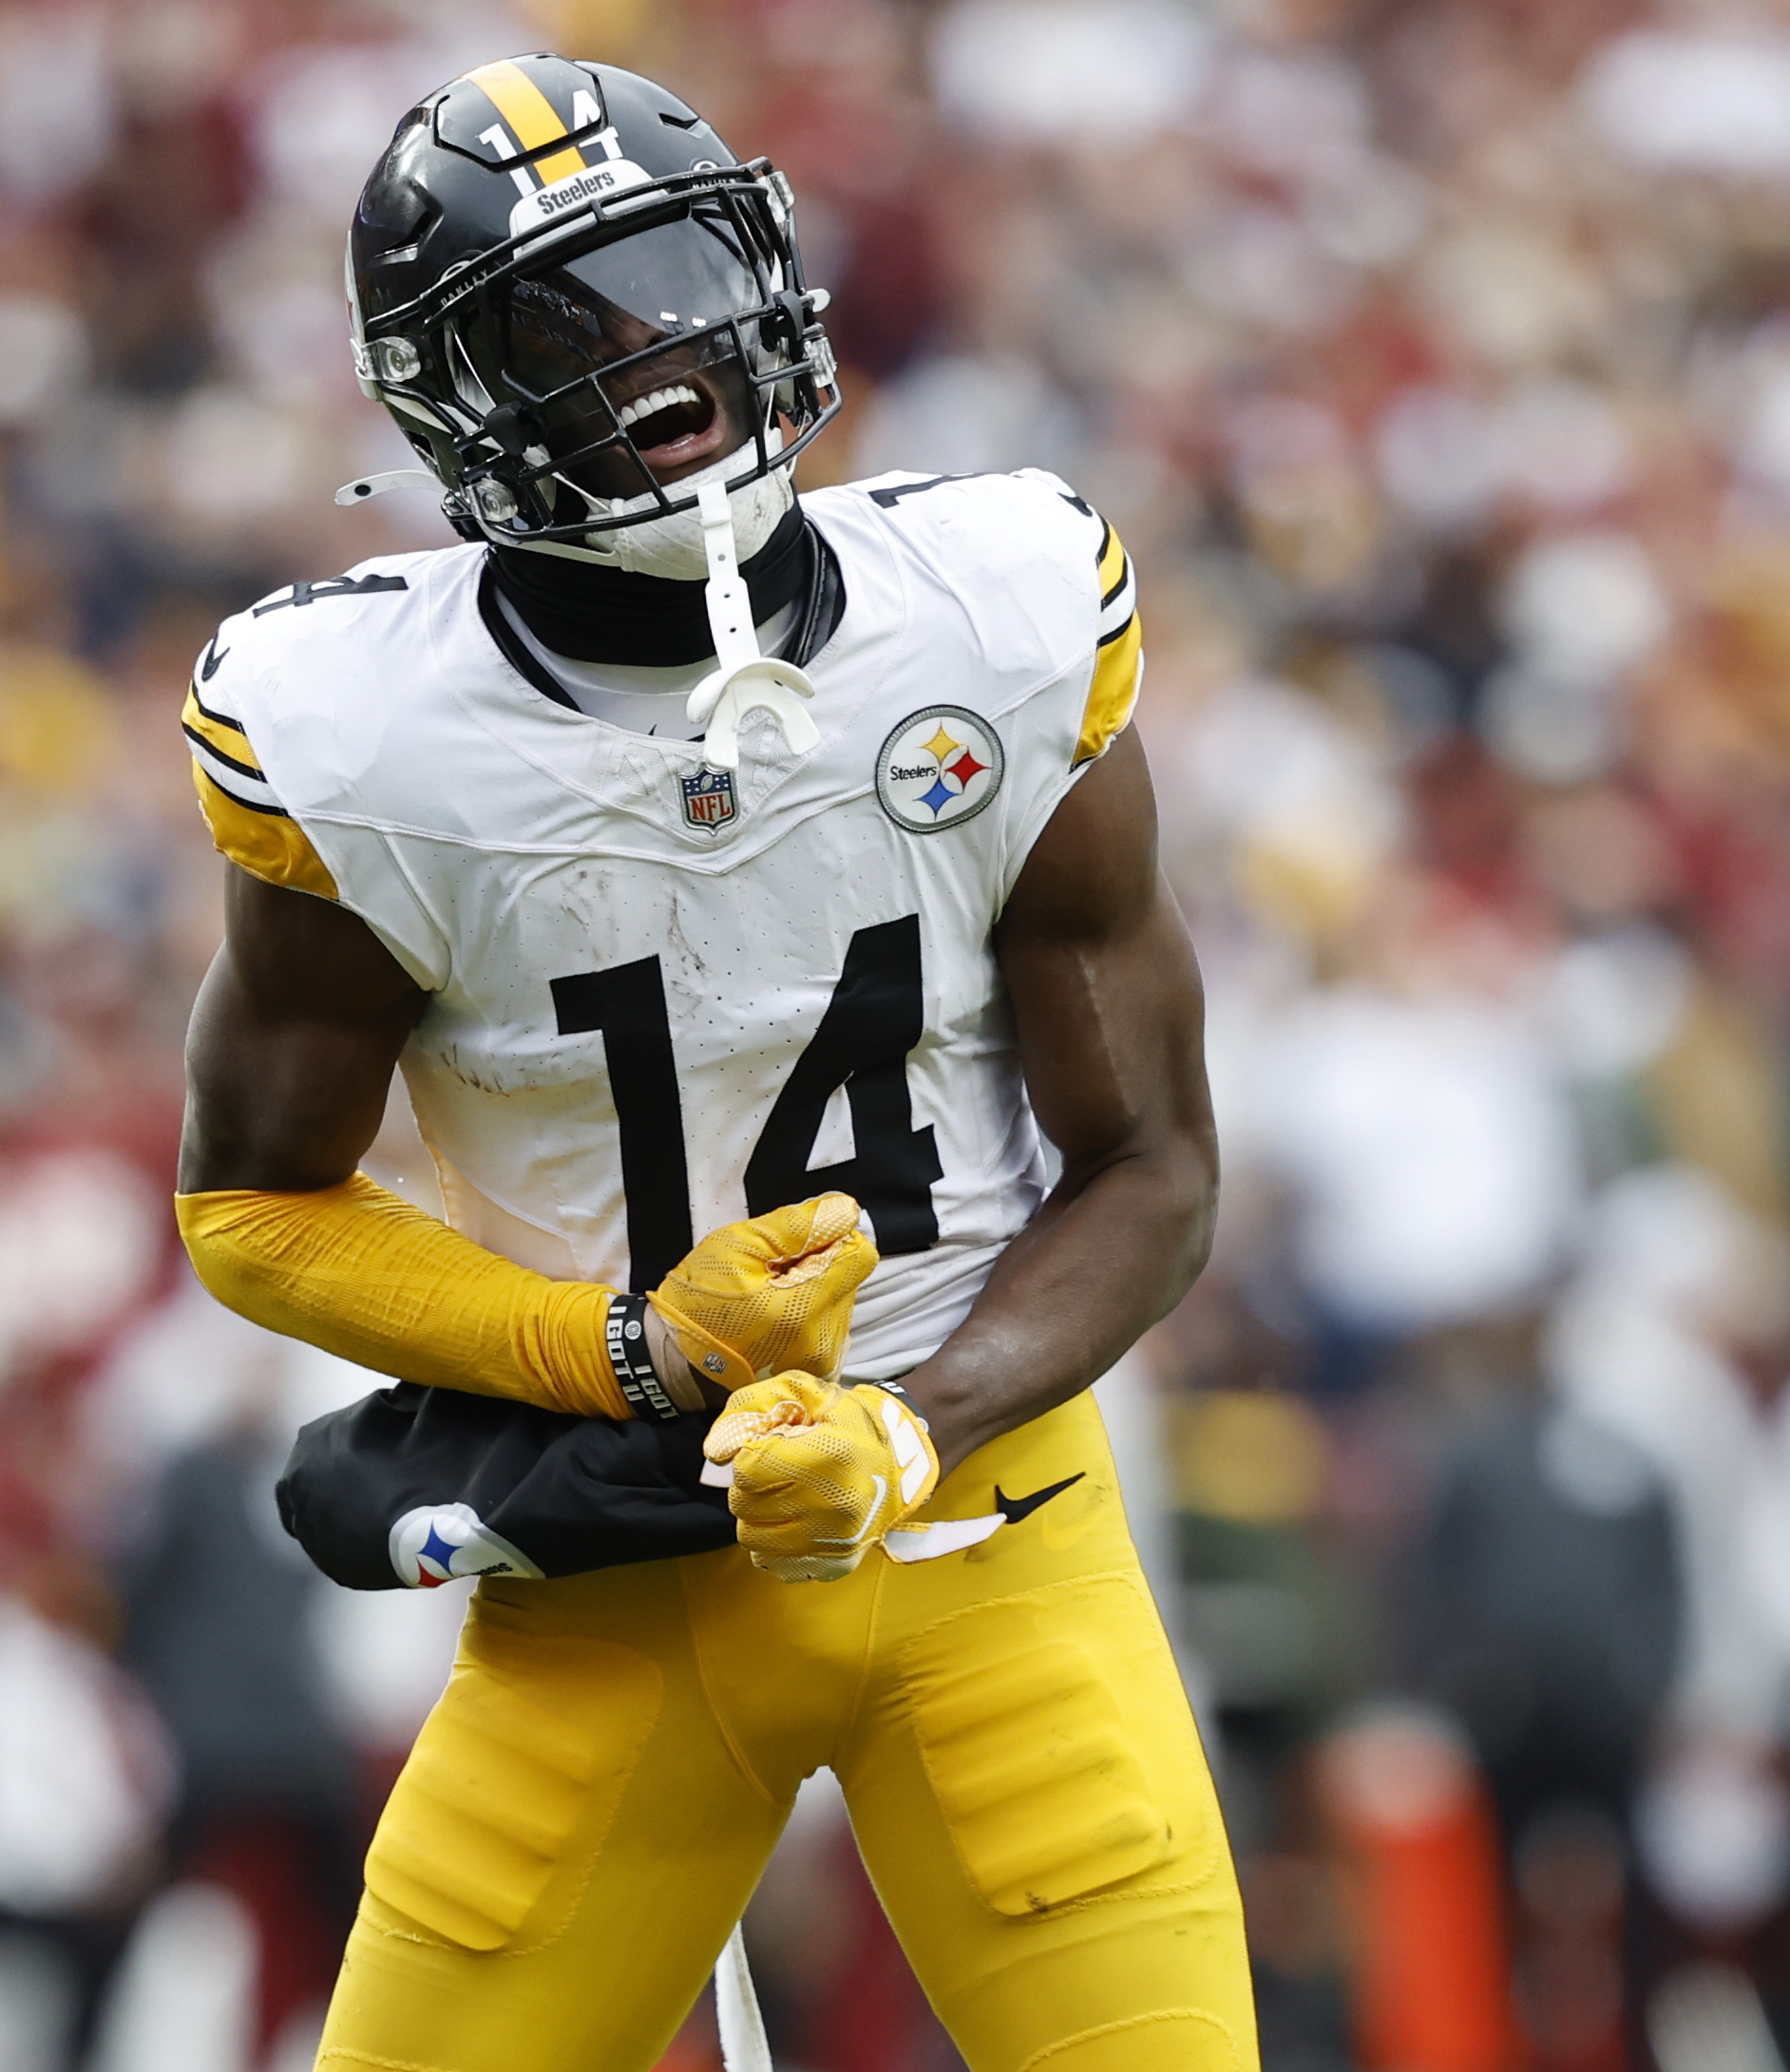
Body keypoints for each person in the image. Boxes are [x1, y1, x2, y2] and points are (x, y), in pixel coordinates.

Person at [171, 55, 1251, 2072]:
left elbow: (1155, 1166)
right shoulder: (360, 733)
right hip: (618, 1582)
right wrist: (624, 1352)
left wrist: (907, 1429)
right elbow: (248, 1204)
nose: (652, 348)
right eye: (556, 321)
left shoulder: (995, 611)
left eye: (670, 273)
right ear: (444, 399)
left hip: (988, 1538)